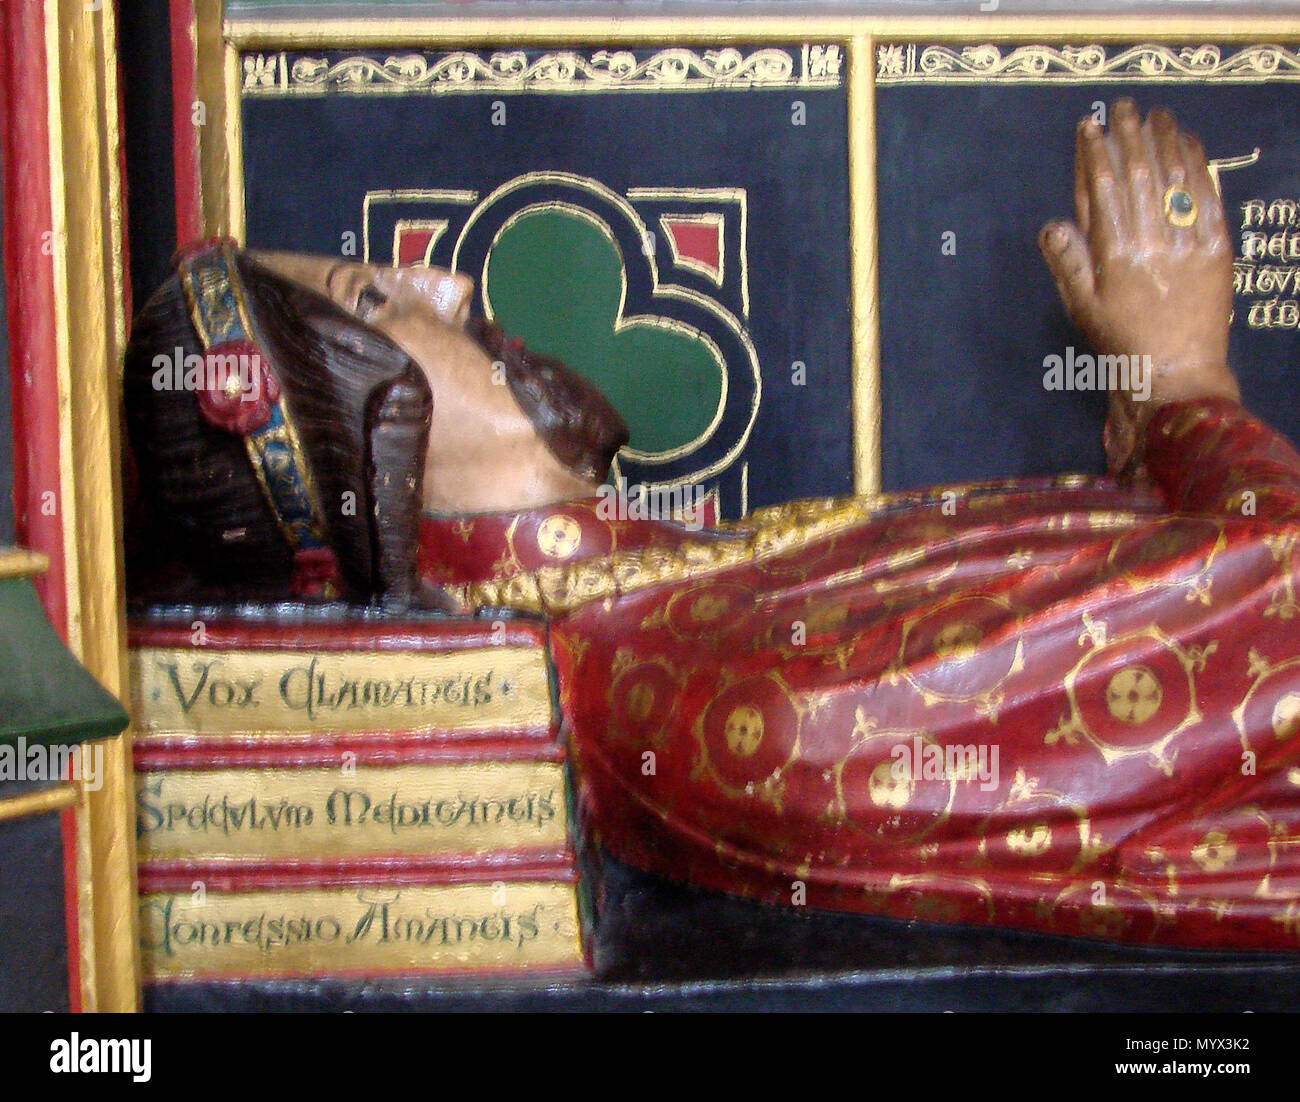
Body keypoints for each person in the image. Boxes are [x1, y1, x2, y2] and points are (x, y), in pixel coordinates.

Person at [123, 101, 1300, 949]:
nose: (449, 285)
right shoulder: (705, 705)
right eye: (372, 301)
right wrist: (1187, 381)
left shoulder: (664, 591)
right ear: (351, 447)